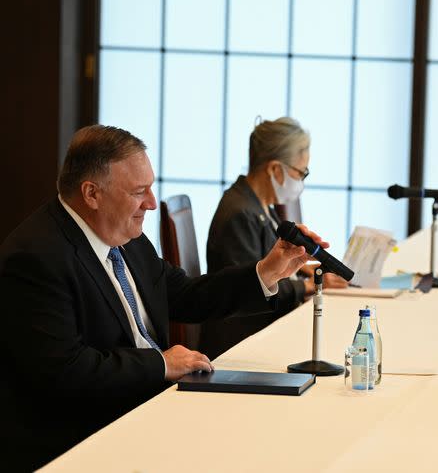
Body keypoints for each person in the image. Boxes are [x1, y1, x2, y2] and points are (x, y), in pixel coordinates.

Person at [0, 125, 327, 471]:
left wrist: (266, 272)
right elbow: (65, 373)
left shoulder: (125, 234)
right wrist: (162, 364)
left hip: (148, 402)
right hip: (84, 437)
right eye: (139, 191)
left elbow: (185, 295)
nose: (152, 203)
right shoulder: (36, 258)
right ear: (92, 193)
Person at [201, 116, 347, 359]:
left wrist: (305, 270)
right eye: (301, 172)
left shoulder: (259, 205)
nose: (301, 181)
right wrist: (309, 286)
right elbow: (246, 291)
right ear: (274, 169)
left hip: (259, 330)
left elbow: (270, 266)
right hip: (238, 343)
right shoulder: (240, 212)